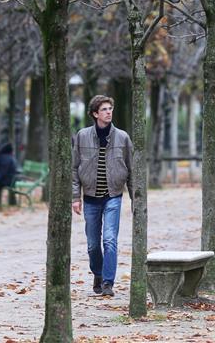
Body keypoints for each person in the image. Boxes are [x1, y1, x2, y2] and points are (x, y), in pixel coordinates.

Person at [72, 95, 133, 297]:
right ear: (95, 114)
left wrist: (135, 199)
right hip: (90, 198)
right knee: (92, 244)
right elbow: (74, 169)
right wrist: (75, 197)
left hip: (113, 196)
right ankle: (97, 273)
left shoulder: (122, 138)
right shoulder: (82, 136)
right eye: (104, 109)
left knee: (109, 240)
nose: (109, 112)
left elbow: (132, 169)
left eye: (110, 108)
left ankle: (108, 282)